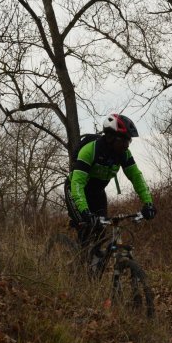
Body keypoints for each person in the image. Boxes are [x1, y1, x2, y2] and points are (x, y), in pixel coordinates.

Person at [65, 113, 156, 268]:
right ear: (110, 137)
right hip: (75, 190)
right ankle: (78, 272)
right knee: (87, 228)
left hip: (98, 193)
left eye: (129, 140)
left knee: (101, 232)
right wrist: (84, 211)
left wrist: (148, 203)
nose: (127, 145)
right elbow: (77, 184)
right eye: (124, 140)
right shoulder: (90, 150)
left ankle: (93, 269)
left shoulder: (123, 154)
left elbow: (136, 177)